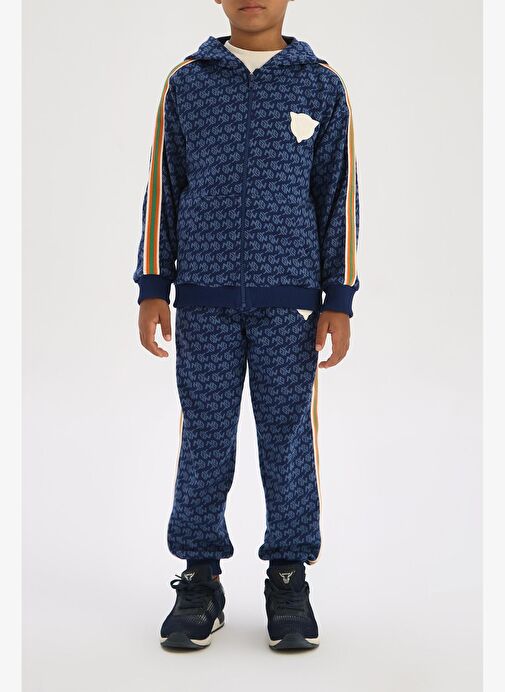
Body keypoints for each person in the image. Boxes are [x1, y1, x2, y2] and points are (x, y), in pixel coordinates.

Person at [134, 0, 360, 651]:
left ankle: (287, 573)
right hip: (202, 300)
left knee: (287, 436)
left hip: (290, 304)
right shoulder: (187, 82)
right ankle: (200, 576)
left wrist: (339, 297)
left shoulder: (321, 85)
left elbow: (338, 194)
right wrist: (153, 284)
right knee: (205, 434)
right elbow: (163, 184)